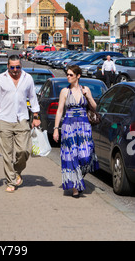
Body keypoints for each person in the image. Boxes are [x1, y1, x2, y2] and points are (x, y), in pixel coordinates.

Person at [0, 55, 41, 193]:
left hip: (22, 119)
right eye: (12, 67)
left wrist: (36, 116)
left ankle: (17, 171)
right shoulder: (2, 78)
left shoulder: (27, 78)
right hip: (4, 120)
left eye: (18, 67)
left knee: (24, 150)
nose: (15, 70)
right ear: (8, 66)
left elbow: (33, 98)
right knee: (7, 154)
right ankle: (11, 181)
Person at [53, 65, 99, 198]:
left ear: (78, 76)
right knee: (71, 156)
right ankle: (74, 187)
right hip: (69, 127)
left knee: (85, 156)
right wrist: (56, 129)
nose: (68, 77)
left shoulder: (86, 89)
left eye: (70, 74)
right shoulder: (64, 92)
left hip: (84, 127)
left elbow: (95, 107)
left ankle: (78, 178)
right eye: (67, 74)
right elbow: (60, 111)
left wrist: (89, 97)